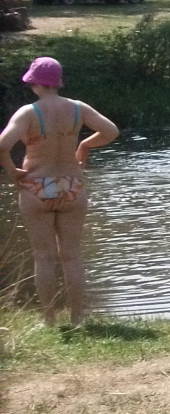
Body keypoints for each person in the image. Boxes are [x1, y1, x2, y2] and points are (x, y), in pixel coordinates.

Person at [0, 56, 119, 327]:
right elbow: (110, 131)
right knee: (72, 255)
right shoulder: (78, 109)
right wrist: (85, 146)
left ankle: (49, 320)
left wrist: (11, 171)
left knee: (43, 256)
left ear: (35, 83)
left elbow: (2, 145)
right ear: (58, 82)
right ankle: (77, 318)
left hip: (37, 186)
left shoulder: (28, 113)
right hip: (72, 185)